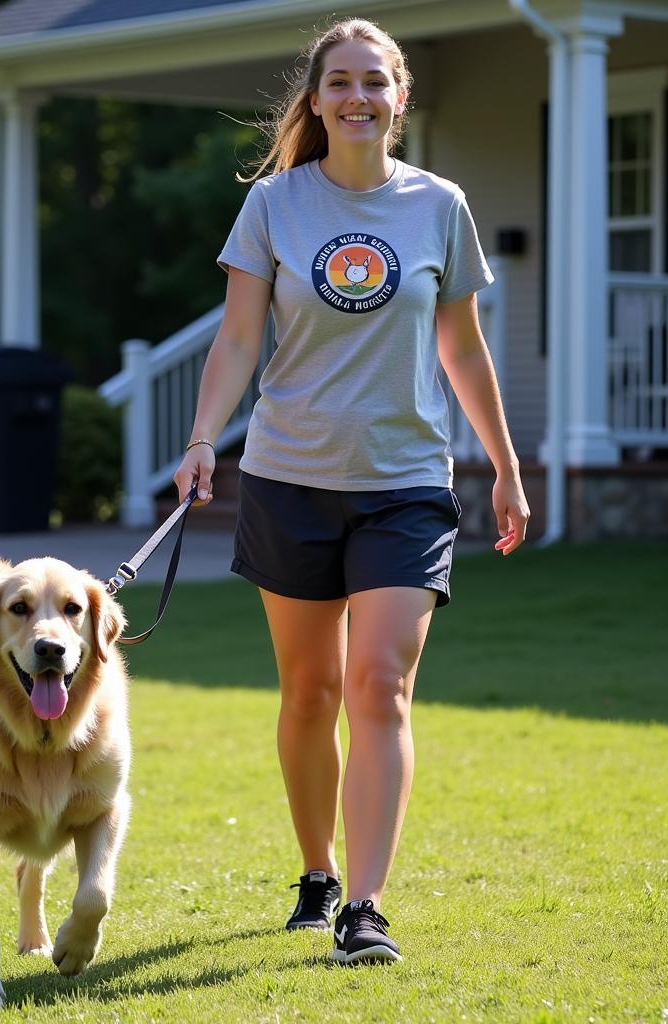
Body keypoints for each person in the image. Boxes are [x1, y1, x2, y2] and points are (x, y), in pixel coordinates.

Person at [174, 17, 529, 966]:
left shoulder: (439, 206)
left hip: (407, 484)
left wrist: (503, 461)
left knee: (380, 685)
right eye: (340, 82)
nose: (358, 97)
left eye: (375, 81)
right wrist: (206, 438)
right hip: (288, 477)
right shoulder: (274, 206)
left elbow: (461, 346)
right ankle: (316, 870)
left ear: (399, 97)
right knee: (309, 692)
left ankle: (364, 908)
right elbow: (239, 339)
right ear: (317, 98)